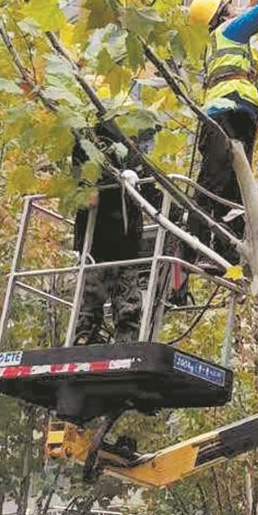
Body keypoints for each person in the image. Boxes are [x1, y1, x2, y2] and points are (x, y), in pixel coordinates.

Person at [186, 0, 258, 265]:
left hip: (240, 116)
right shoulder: (228, 31)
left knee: (235, 189)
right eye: (230, 7)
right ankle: (197, 247)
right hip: (224, 115)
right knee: (216, 182)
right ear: (220, 14)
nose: (235, 10)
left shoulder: (232, 51)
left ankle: (225, 252)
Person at [71, 118, 158, 345]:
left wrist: (182, 217)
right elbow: (85, 183)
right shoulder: (93, 141)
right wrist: (118, 177)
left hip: (125, 239)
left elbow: (151, 190)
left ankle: (124, 340)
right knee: (94, 291)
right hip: (99, 236)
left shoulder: (133, 153)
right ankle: (85, 336)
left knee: (126, 295)